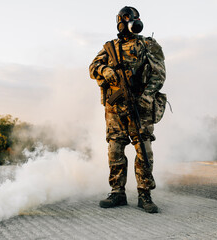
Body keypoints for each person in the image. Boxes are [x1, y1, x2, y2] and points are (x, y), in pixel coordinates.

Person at [89, 6, 166, 213]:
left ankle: (145, 194)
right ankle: (117, 192)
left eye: (134, 18)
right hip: (115, 109)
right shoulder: (110, 47)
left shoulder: (148, 45)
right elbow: (92, 67)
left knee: (144, 150)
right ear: (120, 22)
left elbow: (159, 75)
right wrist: (105, 70)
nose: (131, 22)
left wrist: (146, 96)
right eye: (127, 19)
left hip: (140, 106)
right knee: (115, 150)